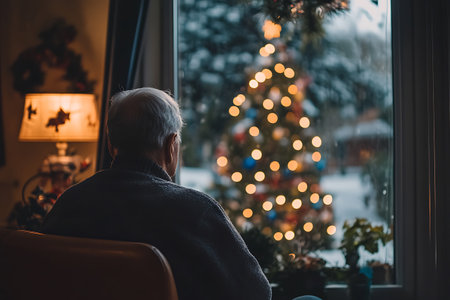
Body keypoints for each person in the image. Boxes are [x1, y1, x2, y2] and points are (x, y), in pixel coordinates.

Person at [40, 87, 272, 300]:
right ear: (171, 145)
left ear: (111, 146)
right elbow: (257, 293)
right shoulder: (195, 210)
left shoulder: (70, 202)